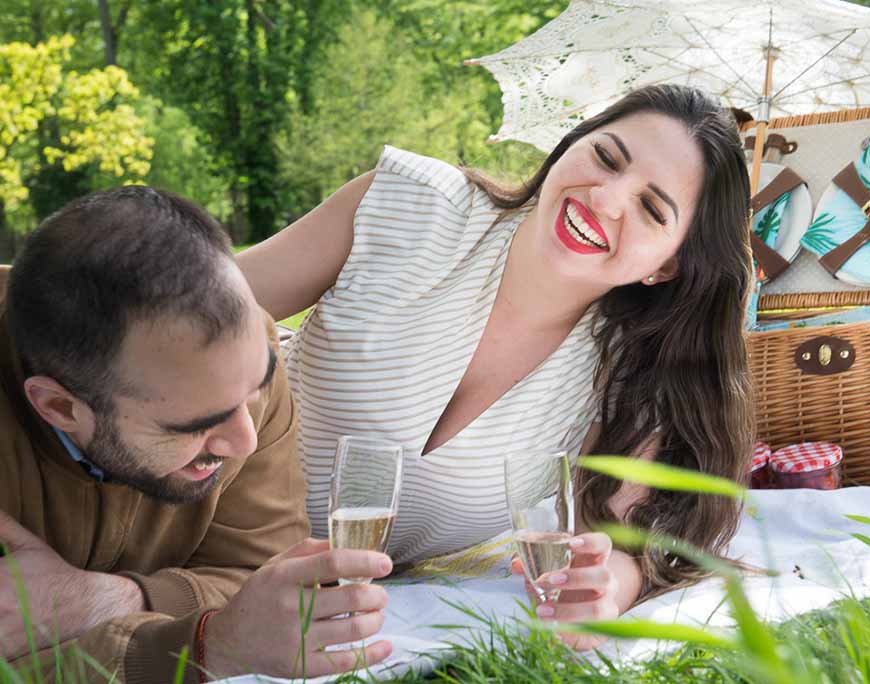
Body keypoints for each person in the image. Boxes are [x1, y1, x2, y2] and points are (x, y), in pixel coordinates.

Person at [238, 84, 754, 648]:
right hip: (192, 513)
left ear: (668, 265)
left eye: (652, 209)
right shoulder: (415, 204)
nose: (605, 200)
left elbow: (638, 541)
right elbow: (194, 308)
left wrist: (614, 581)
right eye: (605, 158)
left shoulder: (627, 368)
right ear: (567, 145)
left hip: (309, 615)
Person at [0, 187, 393, 682]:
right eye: (195, 426)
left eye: (256, 389)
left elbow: (264, 579)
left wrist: (103, 600)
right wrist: (202, 645)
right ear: (59, 406)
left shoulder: (235, 366)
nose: (244, 441)